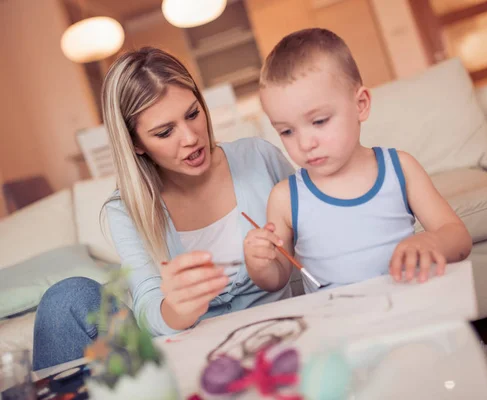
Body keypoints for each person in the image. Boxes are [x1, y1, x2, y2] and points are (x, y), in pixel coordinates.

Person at [32, 47, 295, 370]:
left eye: (193, 113)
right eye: (165, 132)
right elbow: (148, 308)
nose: (190, 138)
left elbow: (318, 239)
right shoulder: (126, 209)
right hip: (183, 354)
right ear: (137, 144)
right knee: (66, 300)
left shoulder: (259, 158)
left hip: (274, 337)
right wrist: (177, 308)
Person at [243, 28, 473, 294]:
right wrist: (260, 264)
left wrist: (433, 241)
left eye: (319, 121)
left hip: (408, 313)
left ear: (360, 104)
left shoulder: (401, 168)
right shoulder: (284, 198)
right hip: (341, 328)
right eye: (286, 131)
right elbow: (278, 278)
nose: (305, 144)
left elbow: (459, 238)